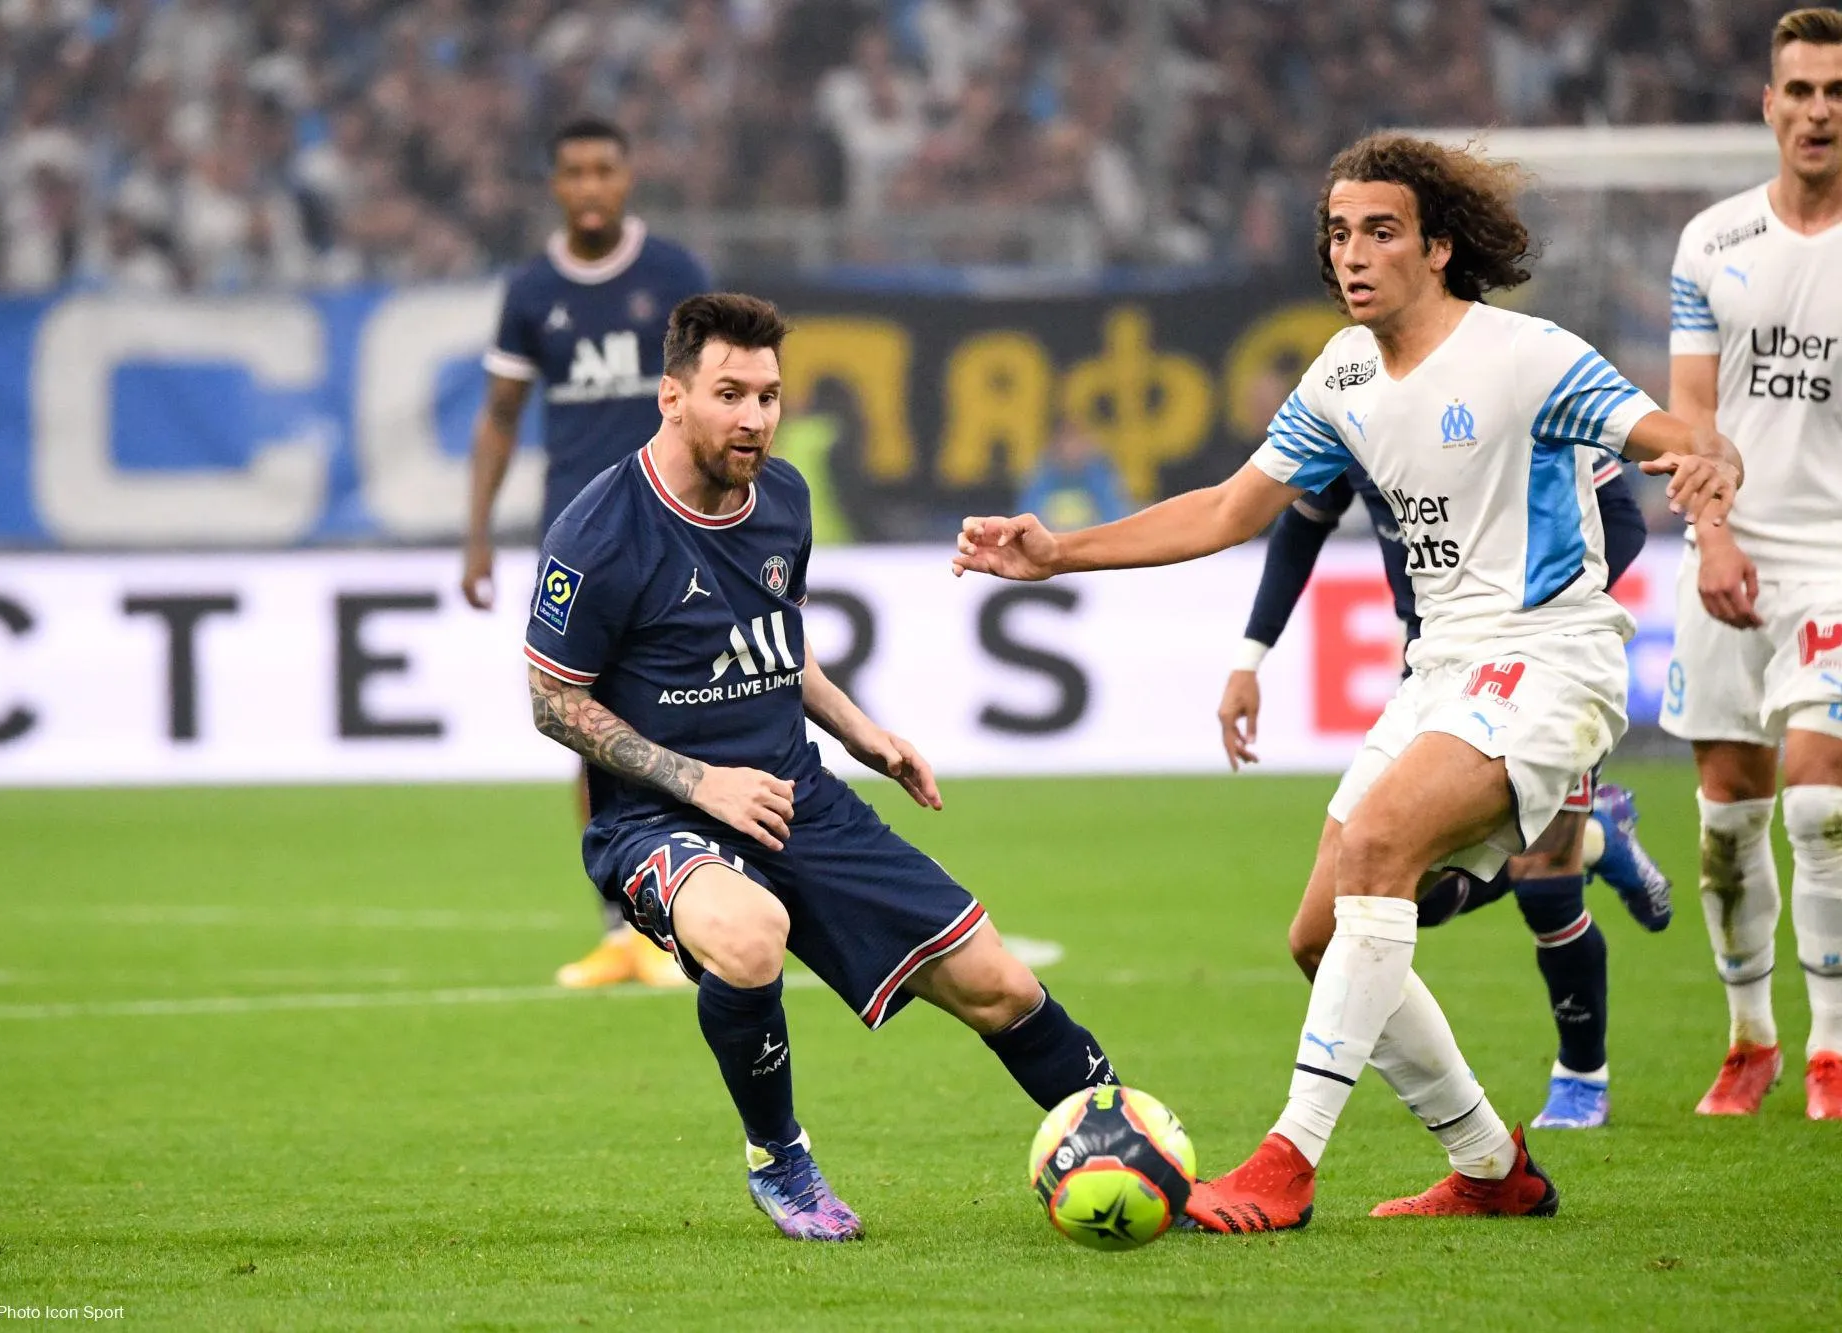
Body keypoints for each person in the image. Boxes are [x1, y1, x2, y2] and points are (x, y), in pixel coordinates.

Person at [954, 132, 1742, 1231]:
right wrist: (1057, 551)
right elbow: (1229, 511)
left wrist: (1704, 485)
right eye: (1337, 233)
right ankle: (1485, 1163)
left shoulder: (1527, 355)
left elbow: (1665, 435)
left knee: (1377, 847)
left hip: (1551, 653)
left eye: (1378, 231)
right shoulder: (1340, 371)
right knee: (1319, 935)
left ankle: (1287, 1159)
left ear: (1435, 245)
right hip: (1439, 669)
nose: (1352, 254)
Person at [525, 293, 1122, 1241]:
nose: (756, 417)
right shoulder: (599, 533)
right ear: (672, 398)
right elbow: (551, 700)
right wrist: (698, 781)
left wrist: (863, 732)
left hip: (799, 795)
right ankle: (780, 1159)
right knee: (752, 931)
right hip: (658, 818)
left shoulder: (787, 499)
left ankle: (1127, 1145)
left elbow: (779, 648)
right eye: (731, 393)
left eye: (768, 394)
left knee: (1000, 986)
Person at [1214, 452, 1673, 1131]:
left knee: (1548, 883)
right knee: (1392, 899)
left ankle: (1581, 1077)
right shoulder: (1354, 399)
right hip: (1432, 666)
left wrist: (1547, 609)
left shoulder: (1519, 373)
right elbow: (1297, 526)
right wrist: (1250, 658)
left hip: (1538, 663)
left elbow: (1624, 519)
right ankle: (1599, 833)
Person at [463, 116, 709, 990]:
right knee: (587, 726)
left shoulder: (674, 275)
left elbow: (720, 394)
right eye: (575, 172)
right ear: (556, 185)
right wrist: (479, 532)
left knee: (697, 709)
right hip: (581, 535)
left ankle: (702, 906)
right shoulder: (533, 291)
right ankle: (625, 930)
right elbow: (498, 418)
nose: (592, 186)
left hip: (677, 525)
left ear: (628, 176)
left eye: (606, 168)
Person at [1661, 7, 1842, 1120]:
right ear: (1765, 105)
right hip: (1729, 549)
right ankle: (1749, 1038)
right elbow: (1690, 413)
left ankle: (1830, 1047)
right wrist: (1711, 533)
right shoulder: (1711, 243)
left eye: (1837, 92)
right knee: (1727, 817)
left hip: (1834, 563)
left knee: (1819, 803)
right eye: (1802, 91)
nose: (1818, 111)